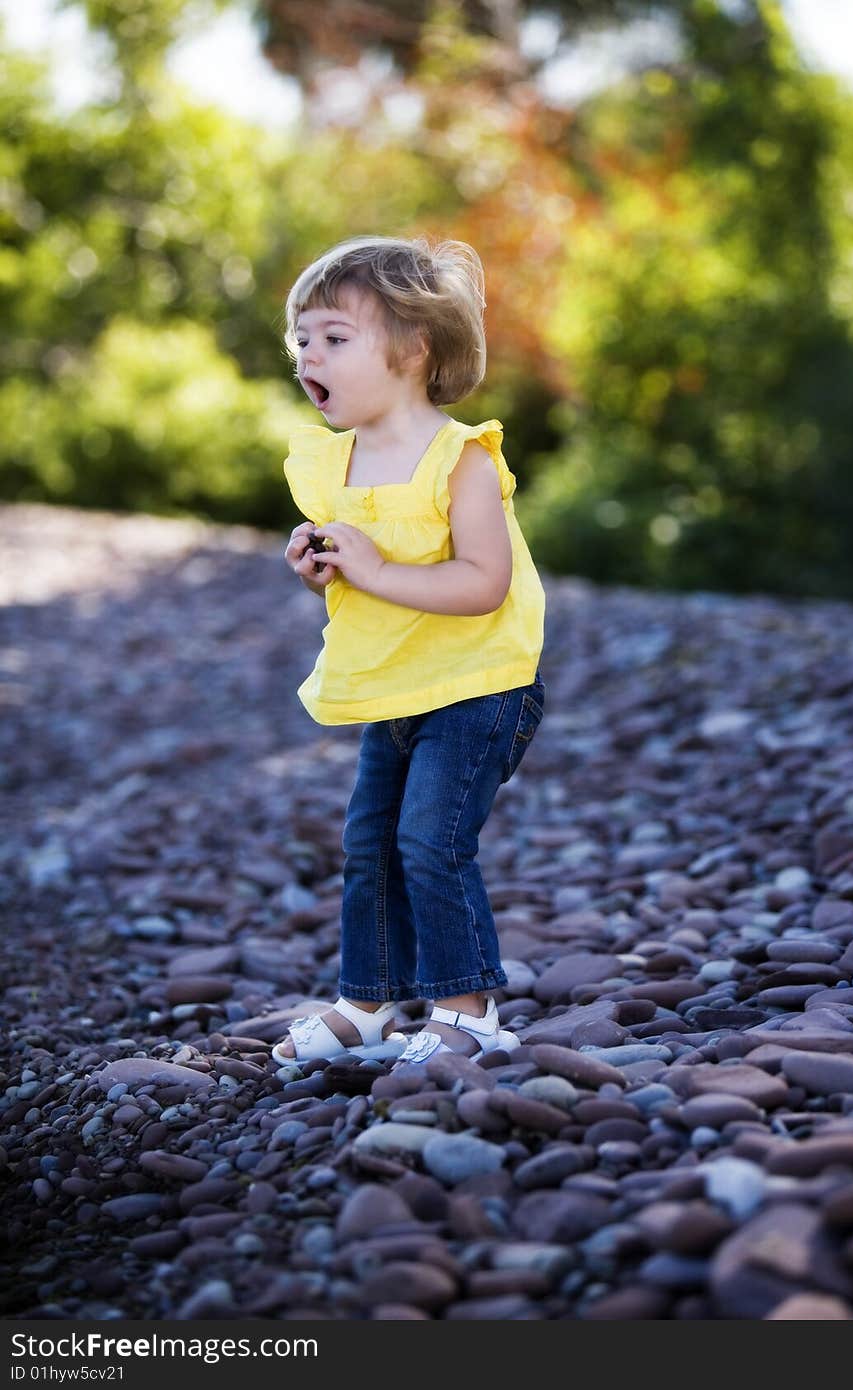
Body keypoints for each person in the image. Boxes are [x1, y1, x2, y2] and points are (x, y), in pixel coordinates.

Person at [271, 234, 545, 1069]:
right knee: (368, 844)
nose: (308, 353)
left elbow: (483, 583)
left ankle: (468, 1008)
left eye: (334, 337)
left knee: (430, 839)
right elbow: (370, 581)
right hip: (394, 685)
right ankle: (370, 999)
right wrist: (329, 572)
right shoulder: (333, 464)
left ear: (414, 347)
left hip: (478, 683)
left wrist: (379, 564)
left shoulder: (458, 458)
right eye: (302, 338)